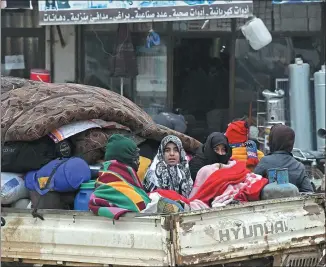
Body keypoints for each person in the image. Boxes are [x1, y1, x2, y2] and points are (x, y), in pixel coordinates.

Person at [89, 134, 151, 220]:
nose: (138, 162)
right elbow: (143, 206)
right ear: (125, 158)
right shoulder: (113, 182)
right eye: (136, 158)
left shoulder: (105, 176)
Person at [254, 124, 313, 192]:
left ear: (272, 141)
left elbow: (252, 187)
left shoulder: (265, 161)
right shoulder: (298, 166)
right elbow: (308, 192)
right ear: (291, 143)